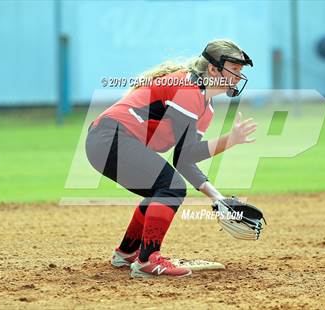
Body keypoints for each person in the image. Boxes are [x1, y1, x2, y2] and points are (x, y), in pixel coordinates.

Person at [85, 39, 257, 278]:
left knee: (162, 190)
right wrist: (229, 140)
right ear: (213, 69)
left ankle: (127, 253)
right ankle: (148, 260)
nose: (238, 76)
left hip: (106, 142)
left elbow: (184, 160)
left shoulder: (206, 109)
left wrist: (218, 198)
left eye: (240, 71)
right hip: (110, 138)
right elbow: (185, 153)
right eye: (234, 69)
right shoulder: (188, 87)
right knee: (171, 187)